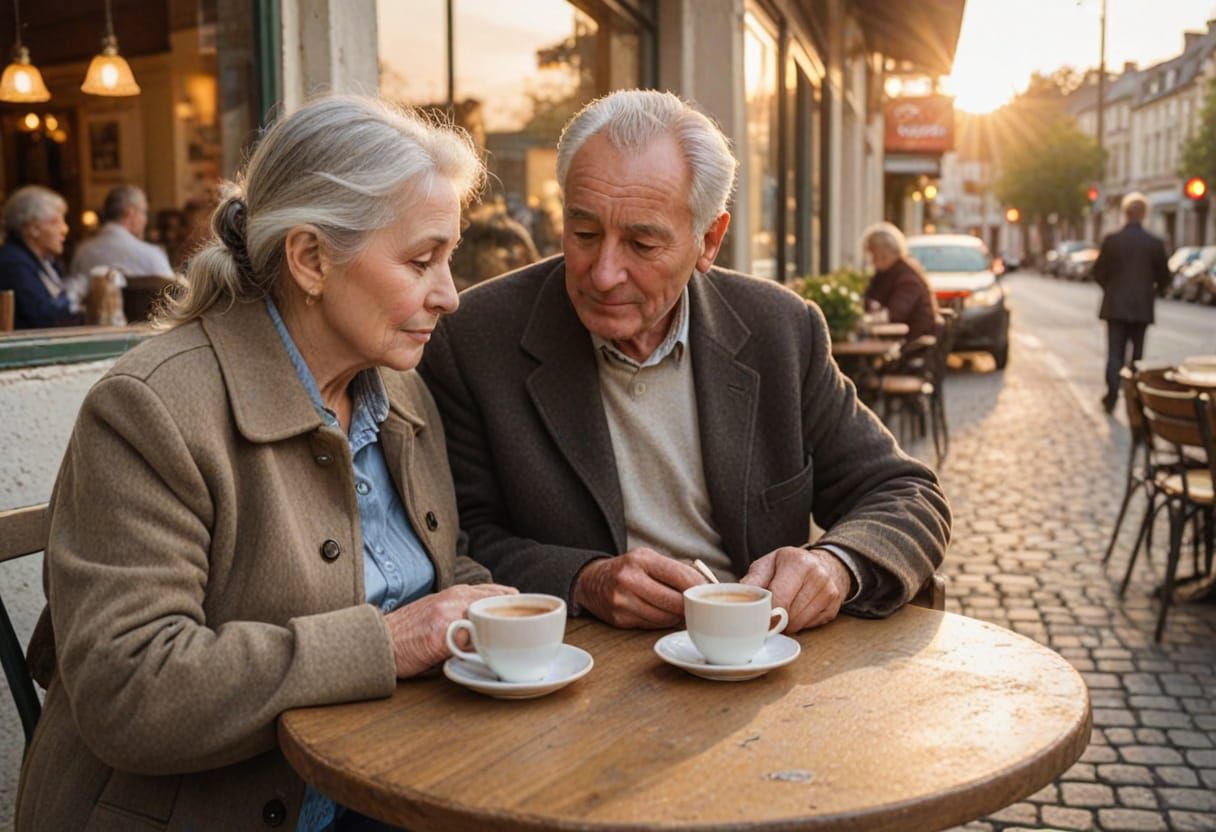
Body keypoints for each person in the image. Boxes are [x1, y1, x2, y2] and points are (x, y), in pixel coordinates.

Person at [16, 96, 516, 832]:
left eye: (449, 258)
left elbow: (434, 571)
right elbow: (130, 691)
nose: (449, 296)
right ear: (311, 258)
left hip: (395, 778)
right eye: (421, 261)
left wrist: (491, 609)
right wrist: (387, 642)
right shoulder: (148, 409)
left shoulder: (399, 387)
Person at [419, 90, 950, 633]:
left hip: (755, 662)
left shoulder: (781, 331)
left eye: (642, 244)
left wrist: (833, 566)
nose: (603, 273)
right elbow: (453, 537)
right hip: (575, 664)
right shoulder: (474, 338)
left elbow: (907, 495)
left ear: (709, 241)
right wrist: (584, 579)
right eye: (584, 233)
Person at [1092, 191, 1171, 413]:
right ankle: (1134, 399)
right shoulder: (1154, 243)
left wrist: (1112, 289)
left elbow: (1098, 272)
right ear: (1143, 214)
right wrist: (1151, 291)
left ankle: (1111, 396)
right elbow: (1164, 276)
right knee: (1137, 357)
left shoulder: (1112, 240)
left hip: (1115, 305)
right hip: (1141, 307)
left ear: (1125, 214)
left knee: (1114, 354)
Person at [0, 185, 80, 329]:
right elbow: (45, 317)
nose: (65, 229)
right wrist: (79, 293)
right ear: (33, 229)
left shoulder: (46, 261)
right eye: (56, 222)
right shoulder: (13, 262)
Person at [70, 184, 175, 278]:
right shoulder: (152, 255)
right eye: (144, 212)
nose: (145, 220)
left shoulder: (82, 252)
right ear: (130, 213)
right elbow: (175, 296)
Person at [860, 221, 940, 342]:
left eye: (872, 254)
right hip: (898, 339)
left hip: (914, 342)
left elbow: (895, 314)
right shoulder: (885, 272)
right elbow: (867, 299)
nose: (871, 260)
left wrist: (866, 319)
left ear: (884, 253)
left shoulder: (907, 276)